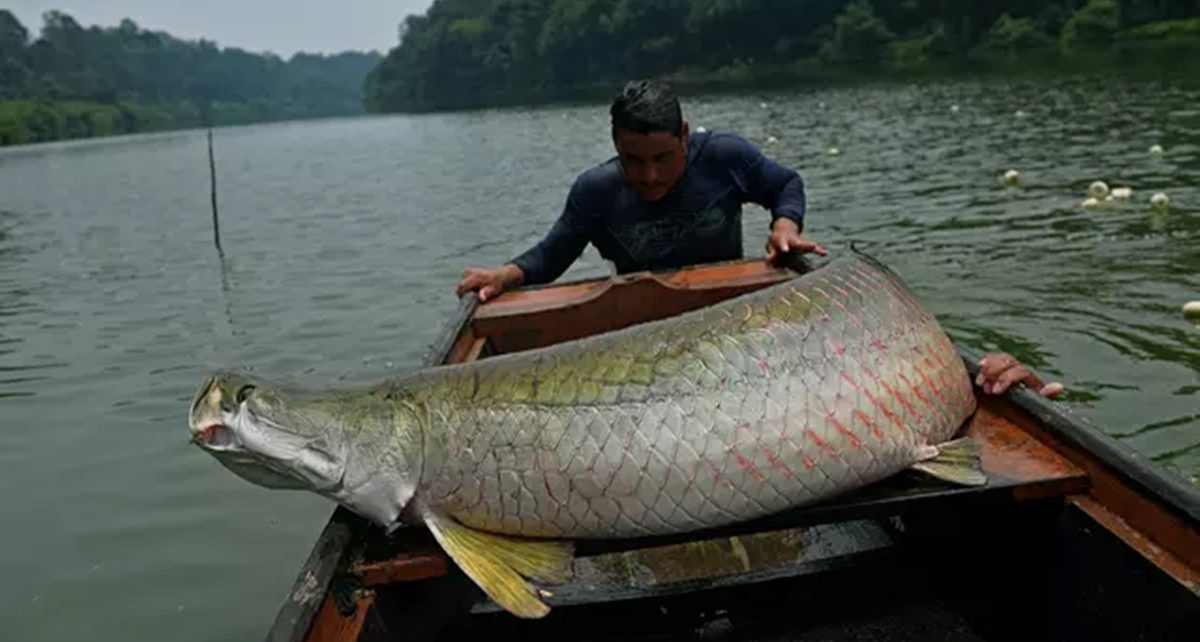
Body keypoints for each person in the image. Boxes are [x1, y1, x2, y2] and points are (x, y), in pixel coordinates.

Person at [454, 79, 1061, 399]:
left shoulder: (725, 157)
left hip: (736, 316)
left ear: (685, 137)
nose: (650, 176)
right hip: (640, 333)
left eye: (663, 158)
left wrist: (784, 227)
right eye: (632, 160)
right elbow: (554, 253)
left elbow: (784, 184)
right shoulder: (596, 191)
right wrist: (506, 275)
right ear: (615, 147)